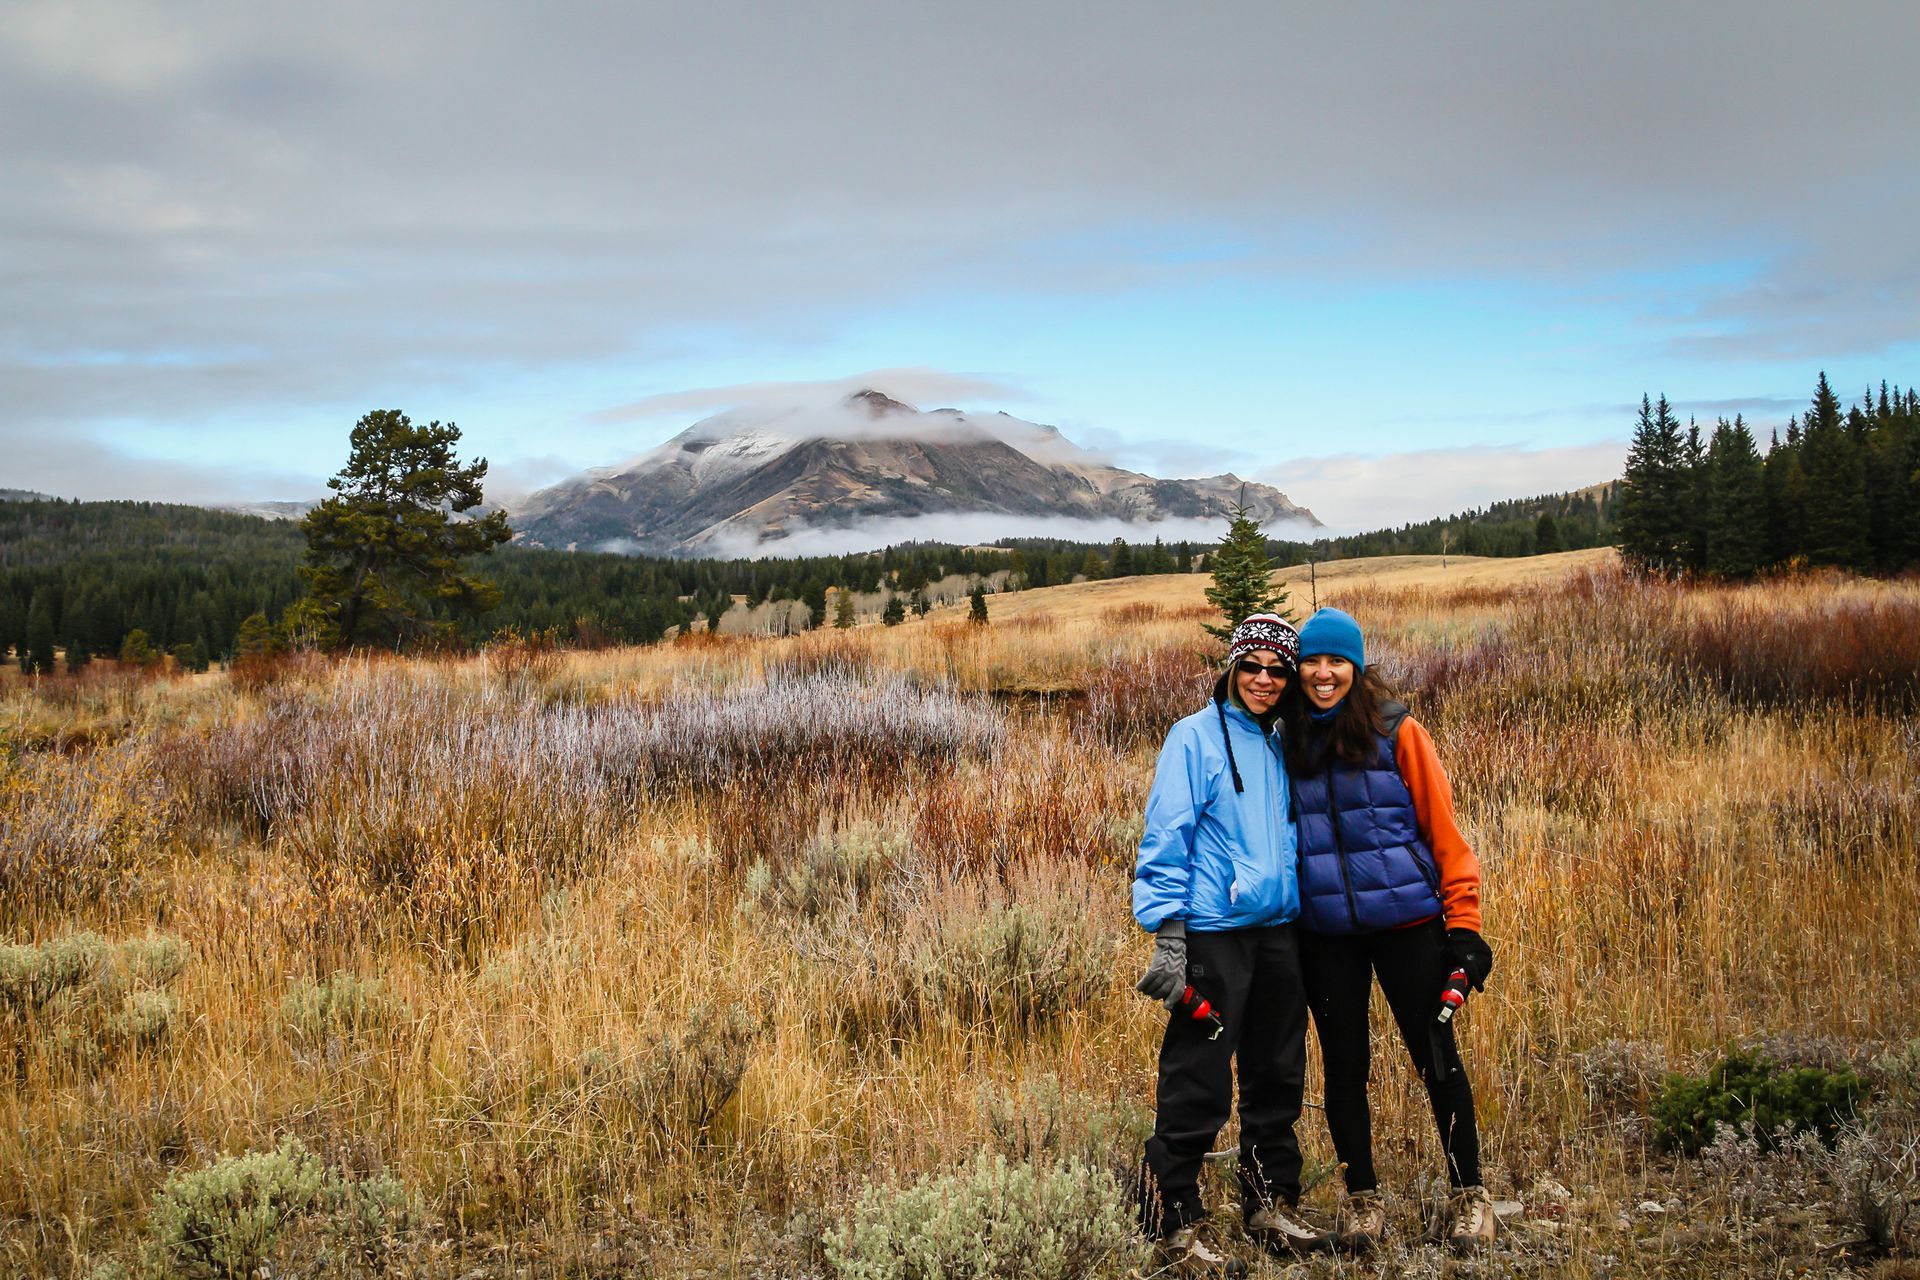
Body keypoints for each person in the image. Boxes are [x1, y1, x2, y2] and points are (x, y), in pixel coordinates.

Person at [1281, 607, 1497, 1253]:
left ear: (1357, 665)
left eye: (1336, 661)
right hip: (1326, 935)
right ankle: (1362, 1200)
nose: (1323, 674)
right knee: (1345, 1069)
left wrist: (1464, 927)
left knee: (1436, 1057)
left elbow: (1446, 835)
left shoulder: (1398, 732)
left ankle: (1470, 1195)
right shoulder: (1286, 738)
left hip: (1409, 923)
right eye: (1312, 662)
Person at [1132, 613, 1329, 1272]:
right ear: (1232, 667)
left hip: (1278, 934)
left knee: (1277, 1072)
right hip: (1215, 938)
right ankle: (1176, 1223)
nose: (1265, 680)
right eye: (1253, 666)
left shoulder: (1280, 741)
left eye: (1277, 670)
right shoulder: (1192, 738)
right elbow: (1167, 836)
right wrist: (1168, 935)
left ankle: (1269, 1201)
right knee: (1199, 1078)